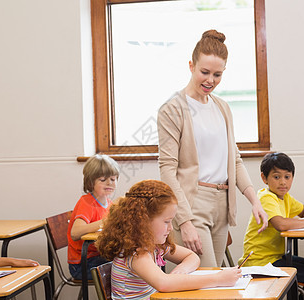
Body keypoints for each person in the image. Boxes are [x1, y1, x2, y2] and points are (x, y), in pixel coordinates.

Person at [157, 29, 268, 267]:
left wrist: (254, 200)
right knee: (204, 281)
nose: (210, 80)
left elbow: (234, 160)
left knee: (214, 283)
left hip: (223, 204)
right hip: (193, 203)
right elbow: (167, 171)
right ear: (191, 66)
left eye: (217, 74)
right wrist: (184, 221)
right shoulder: (173, 109)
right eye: (204, 72)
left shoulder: (222, 107)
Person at [96, 179, 242, 299]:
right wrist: (218, 279)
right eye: (167, 221)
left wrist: (181, 270)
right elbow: (163, 284)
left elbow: (191, 256)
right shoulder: (136, 253)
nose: (171, 228)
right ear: (143, 221)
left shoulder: (154, 246)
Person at [239, 152, 304, 299]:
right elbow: (280, 224)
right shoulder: (266, 197)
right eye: (276, 177)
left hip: (276, 258)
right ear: (264, 178)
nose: (283, 182)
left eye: (287, 177)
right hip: (262, 263)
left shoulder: (285, 197)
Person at [67, 154, 120, 280]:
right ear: (90, 183)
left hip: (97, 257)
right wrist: (105, 222)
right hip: (82, 265)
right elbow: (75, 233)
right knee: (127, 268)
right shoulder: (87, 203)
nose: (109, 183)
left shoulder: (109, 203)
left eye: (113, 179)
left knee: (132, 261)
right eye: (103, 180)